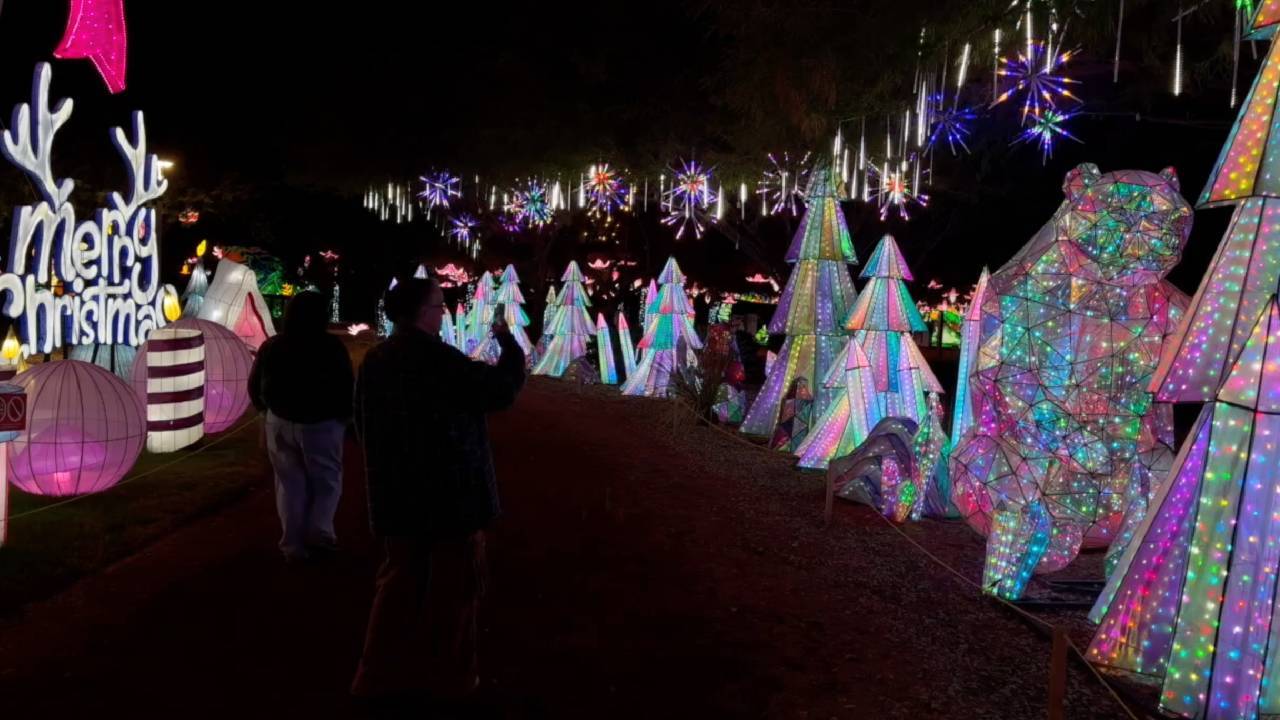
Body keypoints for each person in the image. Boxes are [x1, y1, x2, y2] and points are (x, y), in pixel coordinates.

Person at [351, 276, 525, 702]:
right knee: (455, 588)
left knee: (397, 583)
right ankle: (452, 678)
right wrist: (509, 343)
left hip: (398, 493)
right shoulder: (440, 361)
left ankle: (374, 675)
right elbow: (500, 390)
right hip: (450, 494)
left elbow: (360, 423)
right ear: (421, 313)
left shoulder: (376, 361)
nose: (443, 312)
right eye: (438, 306)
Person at [248, 290, 354, 562]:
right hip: (321, 423)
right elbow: (345, 385)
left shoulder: (273, 346)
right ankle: (320, 531)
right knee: (326, 481)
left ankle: (292, 544)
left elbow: (255, 383)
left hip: (279, 420)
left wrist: (264, 410)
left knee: (289, 485)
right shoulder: (330, 347)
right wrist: (346, 417)